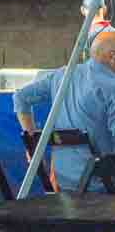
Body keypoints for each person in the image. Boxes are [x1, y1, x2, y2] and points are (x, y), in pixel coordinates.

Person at [15, 31, 115, 191]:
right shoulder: (111, 87)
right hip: (104, 186)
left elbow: (21, 97)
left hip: (63, 185)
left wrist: (32, 145)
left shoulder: (61, 76)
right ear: (112, 56)